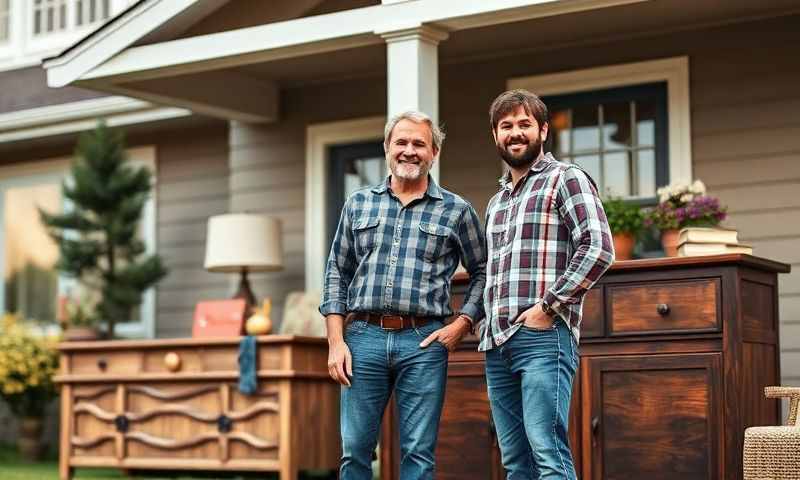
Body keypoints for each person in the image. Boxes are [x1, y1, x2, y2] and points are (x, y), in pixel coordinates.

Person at [320, 110, 486, 480]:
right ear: (387, 148)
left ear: (434, 153)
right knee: (355, 451)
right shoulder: (358, 204)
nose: (410, 151)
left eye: (419, 144)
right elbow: (337, 272)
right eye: (402, 142)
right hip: (362, 338)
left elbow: (483, 271)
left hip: (423, 341)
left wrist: (462, 323)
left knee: (418, 455)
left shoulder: (457, 211)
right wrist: (336, 342)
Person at [482, 89, 614, 479]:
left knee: (547, 453)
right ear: (495, 136)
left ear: (542, 130)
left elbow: (599, 248)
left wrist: (547, 307)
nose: (515, 133)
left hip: (543, 337)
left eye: (524, 124)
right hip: (496, 343)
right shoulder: (496, 202)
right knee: (515, 462)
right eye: (506, 126)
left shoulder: (564, 179)